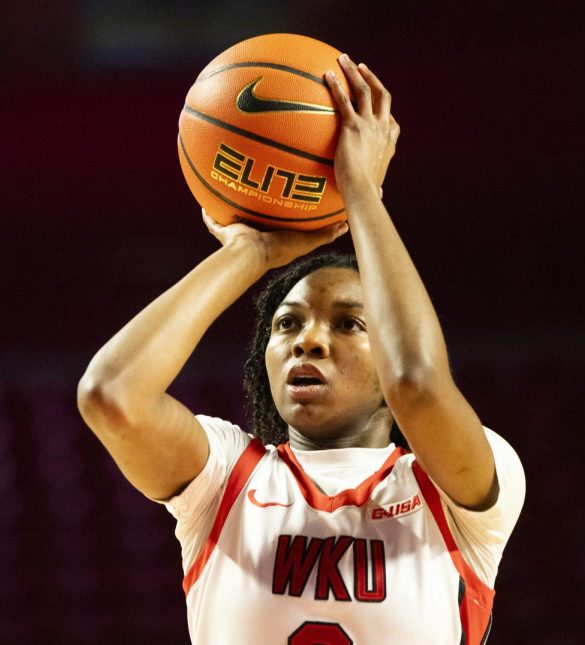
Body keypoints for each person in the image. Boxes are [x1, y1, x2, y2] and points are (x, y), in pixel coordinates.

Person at [77, 53, 524, 644]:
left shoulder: (453, 494)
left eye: (349, 324)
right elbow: (111, 395)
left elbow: (417, 382)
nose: (308, 338)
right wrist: (250, 254)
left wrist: (361, 190)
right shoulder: (224, 481)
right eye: (286, 325)